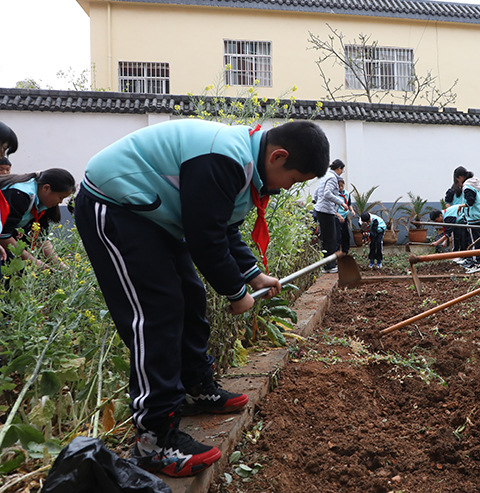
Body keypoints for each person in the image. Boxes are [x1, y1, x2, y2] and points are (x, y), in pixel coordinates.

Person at [73, 119, 330, 477]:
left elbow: (223, 228)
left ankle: (196, 389)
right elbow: (205, 239)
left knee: (190, 297)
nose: (289, 188)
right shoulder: (223, 158)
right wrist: (237, 293)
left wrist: (253, 275)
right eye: (295, 179)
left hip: (153, 216)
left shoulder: (243, 164)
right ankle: (155, 440)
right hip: (117, 206)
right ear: (278, 156)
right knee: (156, 314)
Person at [0, 169, 75, 267]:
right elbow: (4, 235)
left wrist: (60, 266)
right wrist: (35, 262)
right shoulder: (20, 194)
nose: (60, 202)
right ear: (46, 188)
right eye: (60, 197)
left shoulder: (44, 202)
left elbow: (40, 238)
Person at [314, 159, 347, 273]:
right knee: (331, 239)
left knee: (326, 238)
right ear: (339, 168)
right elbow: (327, 193)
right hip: (326, 212)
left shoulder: (325, 176)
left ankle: (326, 265)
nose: (342, 172)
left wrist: (317, 203)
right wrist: (341, 202)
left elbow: (317, 192)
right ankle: (330, 266)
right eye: (342, 170)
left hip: (321, 210)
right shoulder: (333, 178)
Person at [453, 167, 480, 273]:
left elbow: (470, 201)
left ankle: (476, 263)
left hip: (473, 217)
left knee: (474, 241)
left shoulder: (467, 186)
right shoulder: (477, 184)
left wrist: (462, 206)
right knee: (478, 241)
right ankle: (471, 260)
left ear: (460, 177)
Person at [335, 177, 353, 254]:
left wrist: (352, 210)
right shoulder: (334, 195)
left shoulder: (347, 193)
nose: (341, 188)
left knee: (346, 235)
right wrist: (339, 216)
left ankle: (345, 251)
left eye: (342, 186)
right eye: (339, 186)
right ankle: (337, 251)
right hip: (337, 217)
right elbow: (332, 208)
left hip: (345, 217)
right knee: (338, 236)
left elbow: (349, 204)